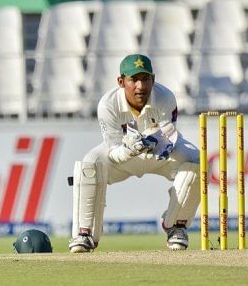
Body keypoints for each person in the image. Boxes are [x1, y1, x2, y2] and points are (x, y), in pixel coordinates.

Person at [68, 54, 200, 253]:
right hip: (123, 159)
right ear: (121, 82)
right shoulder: (108, 105)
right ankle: (84, 233)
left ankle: (176, 226)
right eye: (133, 79)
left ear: (153, 80)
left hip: (158, 156)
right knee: (90, 163)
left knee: (195, 160)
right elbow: (113, 152)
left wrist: (152, 141)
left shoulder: (166, 97)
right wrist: (129, 149)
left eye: (145, 79)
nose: (140, 86)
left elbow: (169, 139)